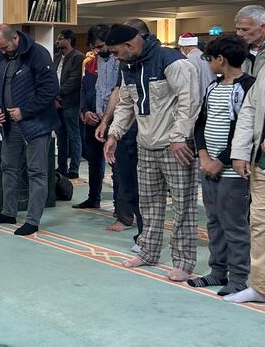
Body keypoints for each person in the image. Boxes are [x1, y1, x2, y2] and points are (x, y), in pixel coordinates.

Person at [103, 24, 200, 281]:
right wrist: (115, 134)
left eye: (115, 52)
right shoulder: (128, 66)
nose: (114, 57)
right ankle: (147, 252)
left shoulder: (173, 62)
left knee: (183, 207)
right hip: (145, 145)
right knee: (149, 204)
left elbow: (189, 101)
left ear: (130, 45)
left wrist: (179, 137)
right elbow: (125, 103)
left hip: (175, 147)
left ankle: (184, 261)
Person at [190, 34, 254, 296]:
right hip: (209, 166)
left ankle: (239, 278)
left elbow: (245, 129)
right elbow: (200, 124)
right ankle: (218, 271)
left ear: (221, 60)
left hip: (232, 170)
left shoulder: (248, 87)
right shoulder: (212, 88)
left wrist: (220, 161)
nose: (208, 64)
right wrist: (204, 156)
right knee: (214, 221)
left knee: (234, 223)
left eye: (209, 59)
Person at [0, 24, 59, 235]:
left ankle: (32, 220)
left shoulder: (37, 54)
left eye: (4, 46)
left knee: (36, 171)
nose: (2, 51)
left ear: (16, 38)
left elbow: (50, 89)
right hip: (9, 125)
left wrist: (25, 111)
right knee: (8, 167)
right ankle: (8, 212)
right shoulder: (1, 58)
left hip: (36, 125)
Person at [96, 19, 146, 242]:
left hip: (154, 134)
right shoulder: (126, 63)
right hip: (126, 127)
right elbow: (120, 94)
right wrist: (106, 123)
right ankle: (126, 216)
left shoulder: (164, 60)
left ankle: (146, 231)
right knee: (123, 174)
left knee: (146, 182)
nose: (115, 55)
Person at [227, 52, 265, 303]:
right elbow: (250, 110)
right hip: (261, 164)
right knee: (259, 224)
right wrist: (240, 152)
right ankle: (260, 287)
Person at [77, 25, 110, 209]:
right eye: (94, 47)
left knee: (117, 165)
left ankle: (120, 206)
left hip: (113, 121)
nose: (97, 51)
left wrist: (106, 116)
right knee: (94, 160)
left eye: (101, 46)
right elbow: (84, 90)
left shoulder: (117, 62)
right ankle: (93, 197)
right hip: (91, 120)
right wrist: (85, 111)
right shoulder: (90, 64)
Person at [54, 29, 85, 179]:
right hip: (56, 103)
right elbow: (52, 79)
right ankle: (61, 167)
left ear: (68, 40)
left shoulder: (78, 57)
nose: (57, 41)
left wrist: (58, 95)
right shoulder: (57, 58)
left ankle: (74, 168)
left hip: (71, 103)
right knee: (61, 137)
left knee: (74, 136)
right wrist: (54, 98)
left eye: (60, 38)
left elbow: (74, 80)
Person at [235, 5, 265, 77]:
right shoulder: (236, 50)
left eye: (245, 29)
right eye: (238, 29)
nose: (239, 34)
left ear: (263, 27)